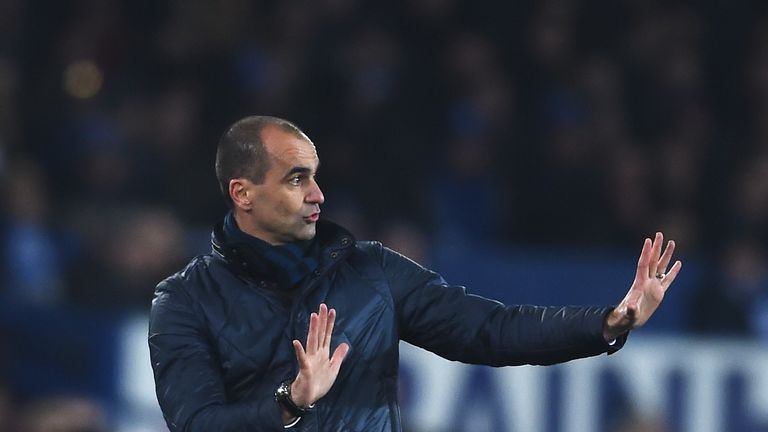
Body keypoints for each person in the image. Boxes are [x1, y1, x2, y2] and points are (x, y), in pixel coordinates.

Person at [148, 115, 682, 431]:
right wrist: (290, 401)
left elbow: (488, 330)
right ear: (242, 193)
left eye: (315, 177)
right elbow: (195, 424)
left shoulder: (371, 271)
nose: (318, 195)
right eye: (295, 179)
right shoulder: (184, 302)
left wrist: (608, 322)